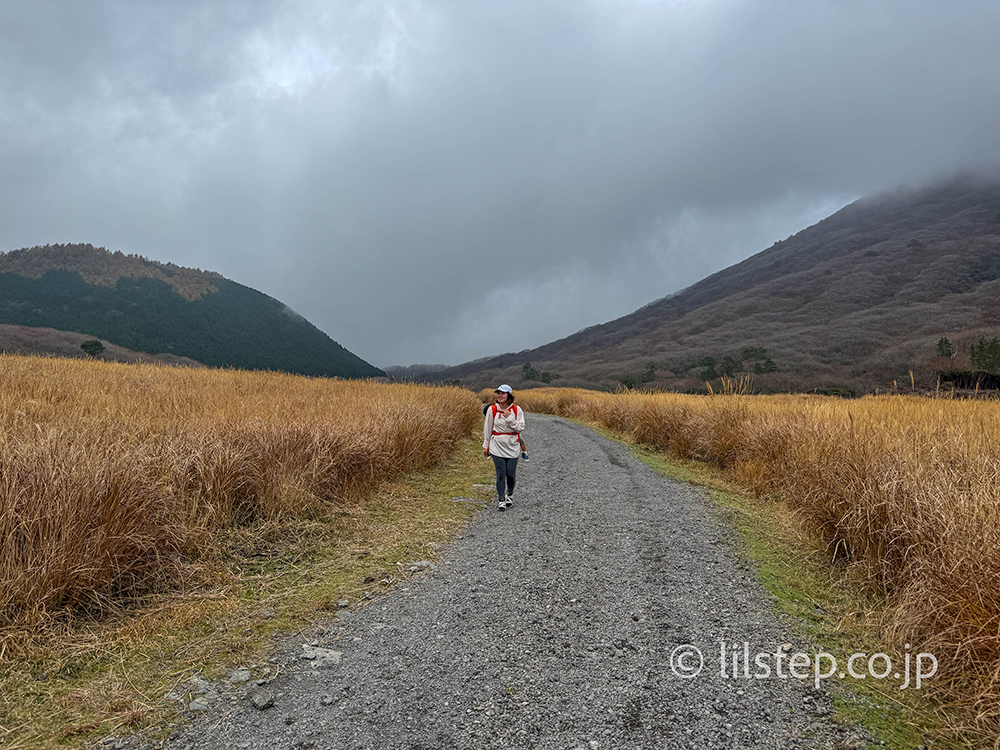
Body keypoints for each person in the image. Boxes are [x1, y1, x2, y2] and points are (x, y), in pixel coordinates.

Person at [483, 384, 525, 511]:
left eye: (503, 393)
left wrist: (510, 418)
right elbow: (488, 428)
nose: (500, 396)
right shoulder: (492, 410)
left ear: (509, 396)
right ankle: (501, 499)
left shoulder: (517, 410)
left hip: (512, 444)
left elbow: (520, 427)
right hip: (497, 444)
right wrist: (486, 446)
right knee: (500, 474)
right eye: (498, 393)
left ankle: (509, 495)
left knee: (510, 474)